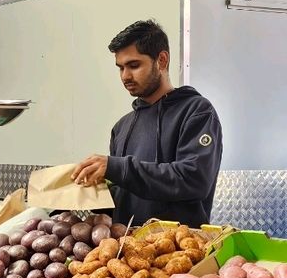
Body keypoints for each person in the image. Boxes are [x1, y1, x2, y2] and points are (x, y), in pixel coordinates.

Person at [71, 20, 223, 226]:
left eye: (134, 65)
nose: (125, 76)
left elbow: (193, 180)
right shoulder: (121, 128)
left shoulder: (197, 112)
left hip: (180, 253)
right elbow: (125, 197)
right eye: (120, 68)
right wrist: (83, 196)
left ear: (161, 60)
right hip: (128, 252)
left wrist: (118, 167)